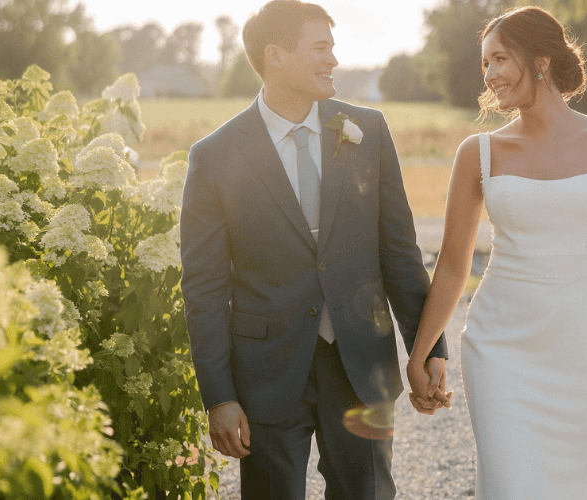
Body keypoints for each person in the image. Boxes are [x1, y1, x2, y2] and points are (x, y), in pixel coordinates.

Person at [180, 1, 449, 498]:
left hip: (359, 362)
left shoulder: (369, 132)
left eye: (333, 48)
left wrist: (427, 347)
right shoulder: (214, 156)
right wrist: (219, 397)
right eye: (320, 48)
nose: (333, 60)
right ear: (275, 56)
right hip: (267, 371)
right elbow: (204, 287)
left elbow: (399, 251)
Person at [406, 5, 587, 499]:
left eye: (499, 58)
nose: (489, 74)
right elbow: (454, 266)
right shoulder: (477, 153)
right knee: (510, 486)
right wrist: (421, 352)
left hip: (583, 347)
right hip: (500, 347)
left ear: (540, 60)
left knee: (575, 484)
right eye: (484, 64)